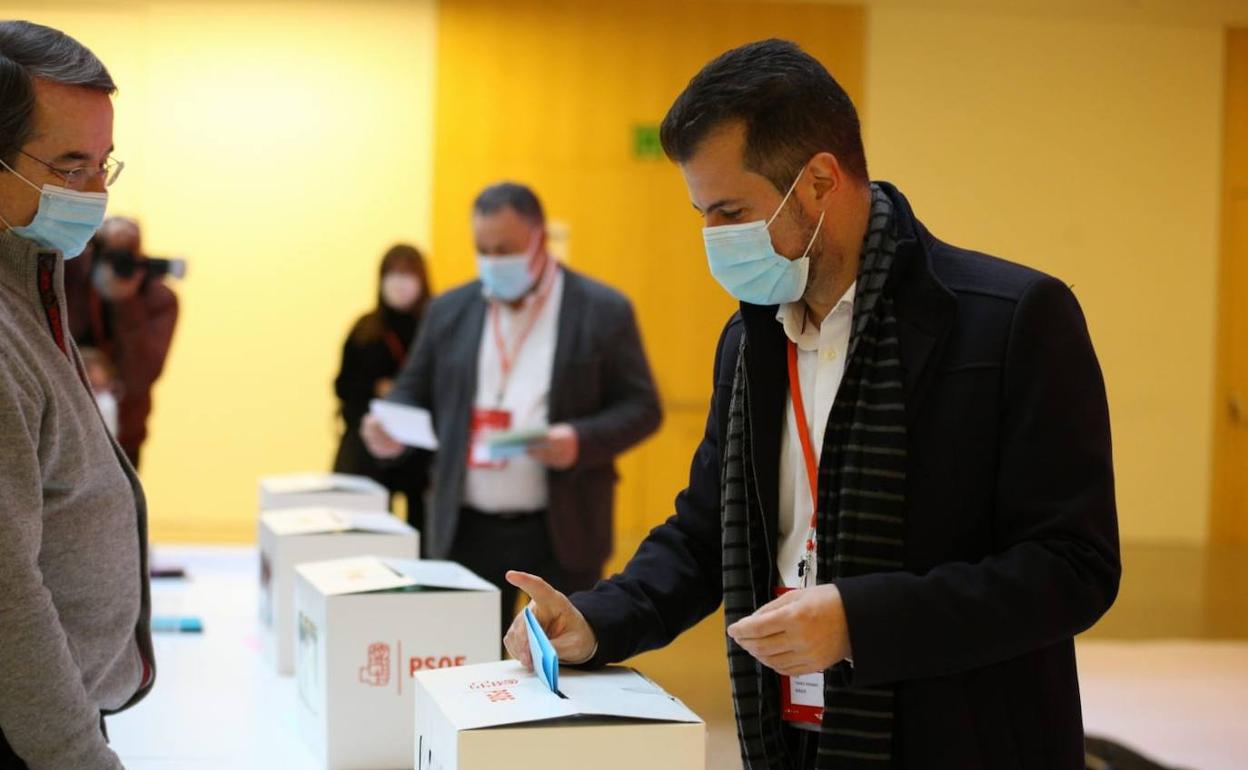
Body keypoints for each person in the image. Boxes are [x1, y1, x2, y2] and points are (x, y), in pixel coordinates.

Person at [503, 39, 1120, 770]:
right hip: (791, 736)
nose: (713, 238)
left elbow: (1073, 567)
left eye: (730, 210)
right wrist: (597, 617)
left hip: (960, 736)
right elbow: (708, 532)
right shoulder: (750, 339)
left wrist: (862, 622)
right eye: (702, 211)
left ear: (820, 181)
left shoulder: (1010, 321)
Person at [362, 182, 662, 632]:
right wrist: (389, 430)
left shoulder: (602, 310)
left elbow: (642, 407)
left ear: (540, 238)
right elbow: (411, 389)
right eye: (482, 249)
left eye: (505, 249)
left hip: (562, 528)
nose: (493, 262)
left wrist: (578, 440)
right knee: (467, 666)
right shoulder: (448, 311)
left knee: (563, 667)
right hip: (465, 528)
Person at [0, 20, 155, 769]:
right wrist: (75, 755)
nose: (94, 194)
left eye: (103, 165)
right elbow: (5, 593)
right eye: (68, 167)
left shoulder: (34, 285)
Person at [64, 216, 179, 469]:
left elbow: (139, 377)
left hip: (123, 438)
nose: (118, 264)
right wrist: (84, 275)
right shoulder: (70, 279)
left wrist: (126, 301)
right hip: (62, 432)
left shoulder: (158, 299)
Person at [333, 243, 433, 527]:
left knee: (422, 531)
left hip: (421, 451)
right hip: (368, 449)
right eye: (393, 273)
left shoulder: (434, 326)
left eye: (407, 273)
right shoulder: (365, 329)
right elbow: (343, 386)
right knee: (369, 530)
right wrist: (375, 391)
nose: (400, 282)